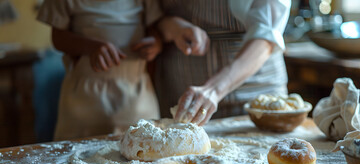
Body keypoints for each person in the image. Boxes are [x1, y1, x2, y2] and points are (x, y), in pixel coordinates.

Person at [37, 0, 163, 140]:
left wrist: (156, 44)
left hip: (136, 95)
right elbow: (58, 38)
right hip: (84, 98)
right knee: (75, 154)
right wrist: (91, 47)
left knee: (143, 149)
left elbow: (156, 28)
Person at [155, 0, 291, 125]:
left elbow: (266, 37)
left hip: (254, 99)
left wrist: (214, 89)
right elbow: (149, 19)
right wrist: (175, 27)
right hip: (179, 97)